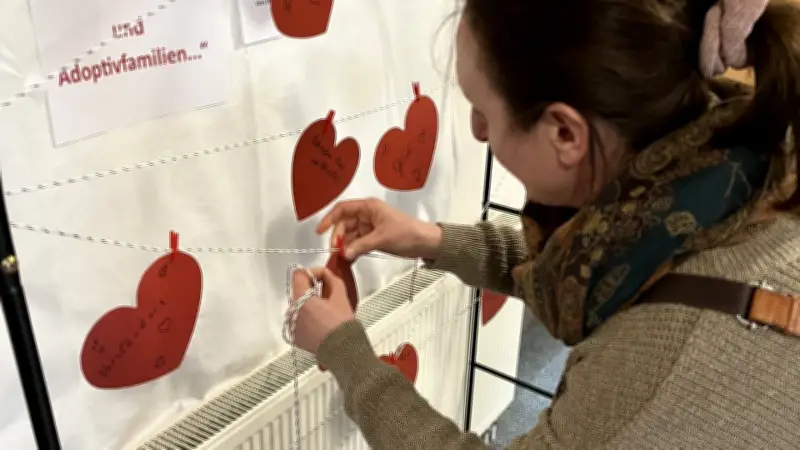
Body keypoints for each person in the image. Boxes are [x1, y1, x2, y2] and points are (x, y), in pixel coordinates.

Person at [290, 0, 800, 448]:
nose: (476, 131)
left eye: (483, 111)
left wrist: (347, 353)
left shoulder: (657, 361)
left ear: (565, 134)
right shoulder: (735, 178)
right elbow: (579, 270)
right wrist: (433, 240)